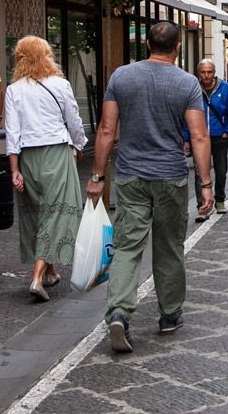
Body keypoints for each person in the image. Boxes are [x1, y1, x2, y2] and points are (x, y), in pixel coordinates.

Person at [86, 21, 212, 353]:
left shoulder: (121, 77)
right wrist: (206, 184)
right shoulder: (187, 84)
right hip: (170, 175)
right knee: (169, 247)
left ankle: (119, 311)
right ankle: (169, 314)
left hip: (130, 175)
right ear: (178, 47)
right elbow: (198, 136)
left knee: (128, 245)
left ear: (146, 46)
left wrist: (98, 177)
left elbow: (105, 130)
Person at [4, 36, 87, 302]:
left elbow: (11, 133)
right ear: (47, 56)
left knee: (36, 213)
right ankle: (38, 276)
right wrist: (80, 144)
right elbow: (73, 119)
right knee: (58, 212)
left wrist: (14, 170)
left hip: (27, 156)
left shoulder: (14, 90)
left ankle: (50, 273)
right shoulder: (60, 85)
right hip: (56, 153)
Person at [188, 59, 228, 222]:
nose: (206, 75)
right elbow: (185, 115)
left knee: (221, 170)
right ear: (198, 73)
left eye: (209, 72)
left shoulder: (224, 88)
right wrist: (186, 138)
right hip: (199, 137)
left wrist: (227, 131)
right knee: (199, 174)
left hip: (219, 137)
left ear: (214, 72)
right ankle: (202, 206)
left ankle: (220, 200)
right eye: (203, 72)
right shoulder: (193, 88)